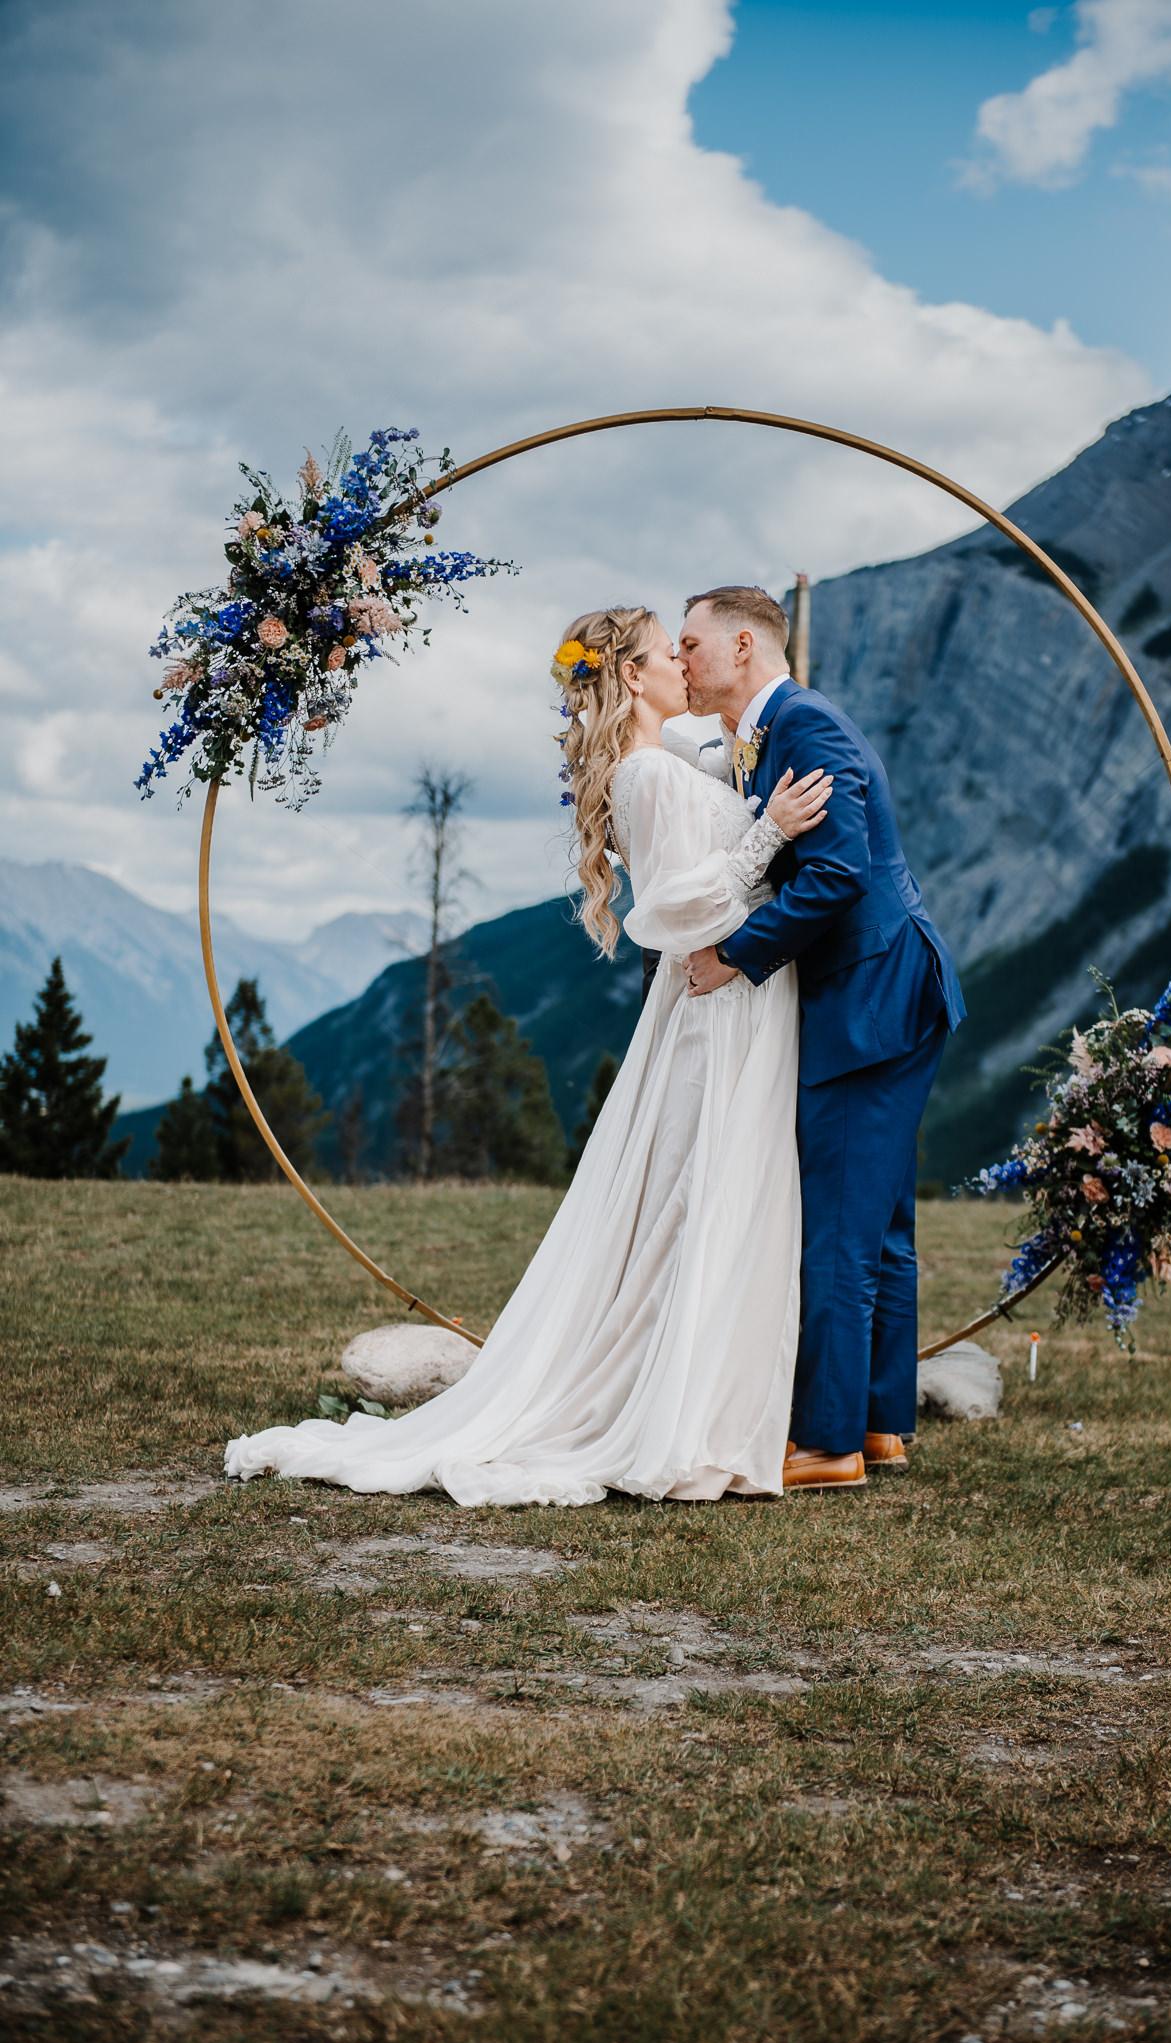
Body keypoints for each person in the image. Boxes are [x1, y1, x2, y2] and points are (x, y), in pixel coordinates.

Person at [223, 606, 832, 1506]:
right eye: (670, 652)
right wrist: (769, 833)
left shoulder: (659, 768)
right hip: (718, 1003)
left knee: (705, 1195)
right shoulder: (649, 776)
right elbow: (674, 907)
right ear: (632, 676)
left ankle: (705, 1398)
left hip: (726, 999)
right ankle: (679, 1410)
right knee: (702, 1193)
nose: (681, 665)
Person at [680, 586, 965, 1491]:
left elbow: (839, 872)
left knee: (839, 1218)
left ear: (742, 646)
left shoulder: (805, 727)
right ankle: (881, 1424)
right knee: (879, 1221)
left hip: (870, 995)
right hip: (885, 987)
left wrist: (734, 953)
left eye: (690, 644)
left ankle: (828, 1441)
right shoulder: (768, 733)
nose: (681, 660)